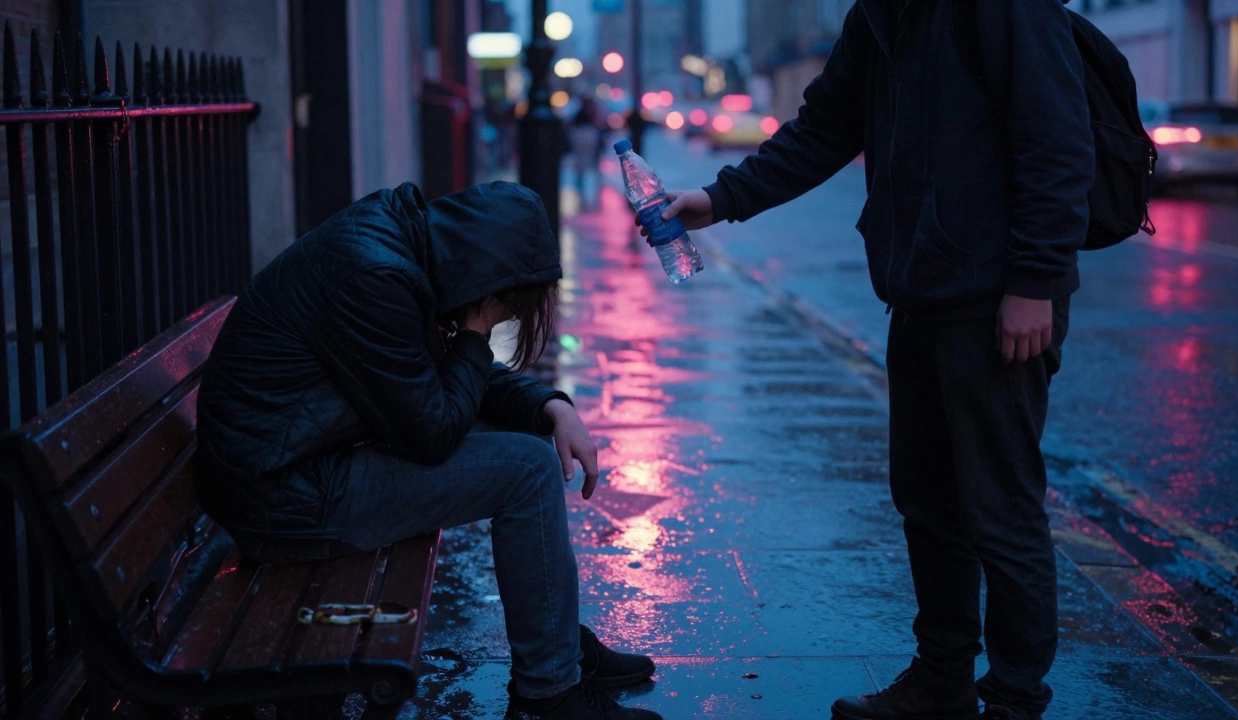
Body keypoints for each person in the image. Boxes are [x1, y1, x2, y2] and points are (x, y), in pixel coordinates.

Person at [651, 2, 1092, 719]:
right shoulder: (882, 14)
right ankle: (942, 681)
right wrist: (717, 199)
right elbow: (825, 127)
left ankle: (1015, 700)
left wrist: (1034, 281)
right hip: (920, 287)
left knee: (1000, 508)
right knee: (926, 501)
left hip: (996, 296)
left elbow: (1057, 138)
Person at [196, 181, 664, 720]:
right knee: (529, 470)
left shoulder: (401, 249)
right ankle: (549, 693)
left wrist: (550, 406)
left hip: (298, 466)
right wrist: (473, 332)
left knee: (525, 438)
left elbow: (434, 383)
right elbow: (433, 432)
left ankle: (555, 644)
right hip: (286, 498)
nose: (505, 318)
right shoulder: (376, 278)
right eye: (504, 307)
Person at [568, 96, 605, 209]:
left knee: (581, 170)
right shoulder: (593, 116)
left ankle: (583, 193)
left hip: (581, 142)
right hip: (589, 142)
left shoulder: (579, 115)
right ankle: (592, 193)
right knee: (590, 169)